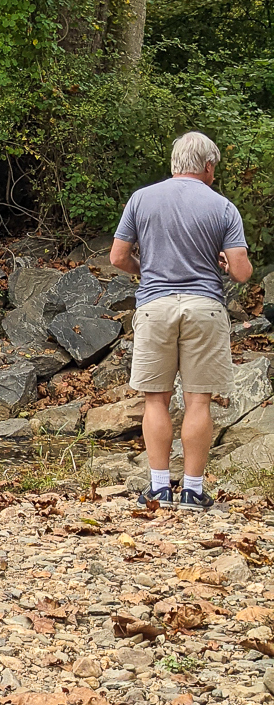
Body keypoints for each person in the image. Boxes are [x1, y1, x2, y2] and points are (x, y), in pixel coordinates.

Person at [110, 130, 252, 511]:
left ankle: (158, 489)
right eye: (214, 168)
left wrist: (147, 270)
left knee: (155, 400)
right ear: (207, 166)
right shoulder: (222, 207)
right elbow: (240, 272)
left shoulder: (141, 199)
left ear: (175, 164)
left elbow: (118, 257)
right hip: (204, 307)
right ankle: (191, 490)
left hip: (155, 306)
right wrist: (220, 263)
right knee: (198, 401)